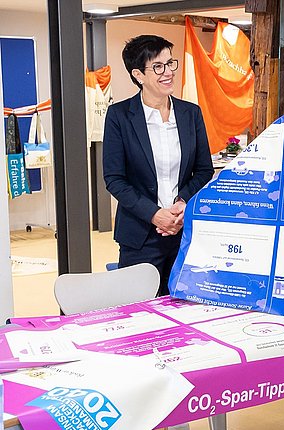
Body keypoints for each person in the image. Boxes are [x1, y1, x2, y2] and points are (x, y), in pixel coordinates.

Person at [103, 35, 213, 296]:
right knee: (138, 314)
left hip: (184, 230)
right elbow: (114, 179)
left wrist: (182, 203)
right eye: (158, 67)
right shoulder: (120, 116)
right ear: (138, 75)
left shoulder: (190, 113)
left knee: (184, 309)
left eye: (170, 63)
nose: (168, 73)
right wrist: (154, 214)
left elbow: (204, 169)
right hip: (140, 235)